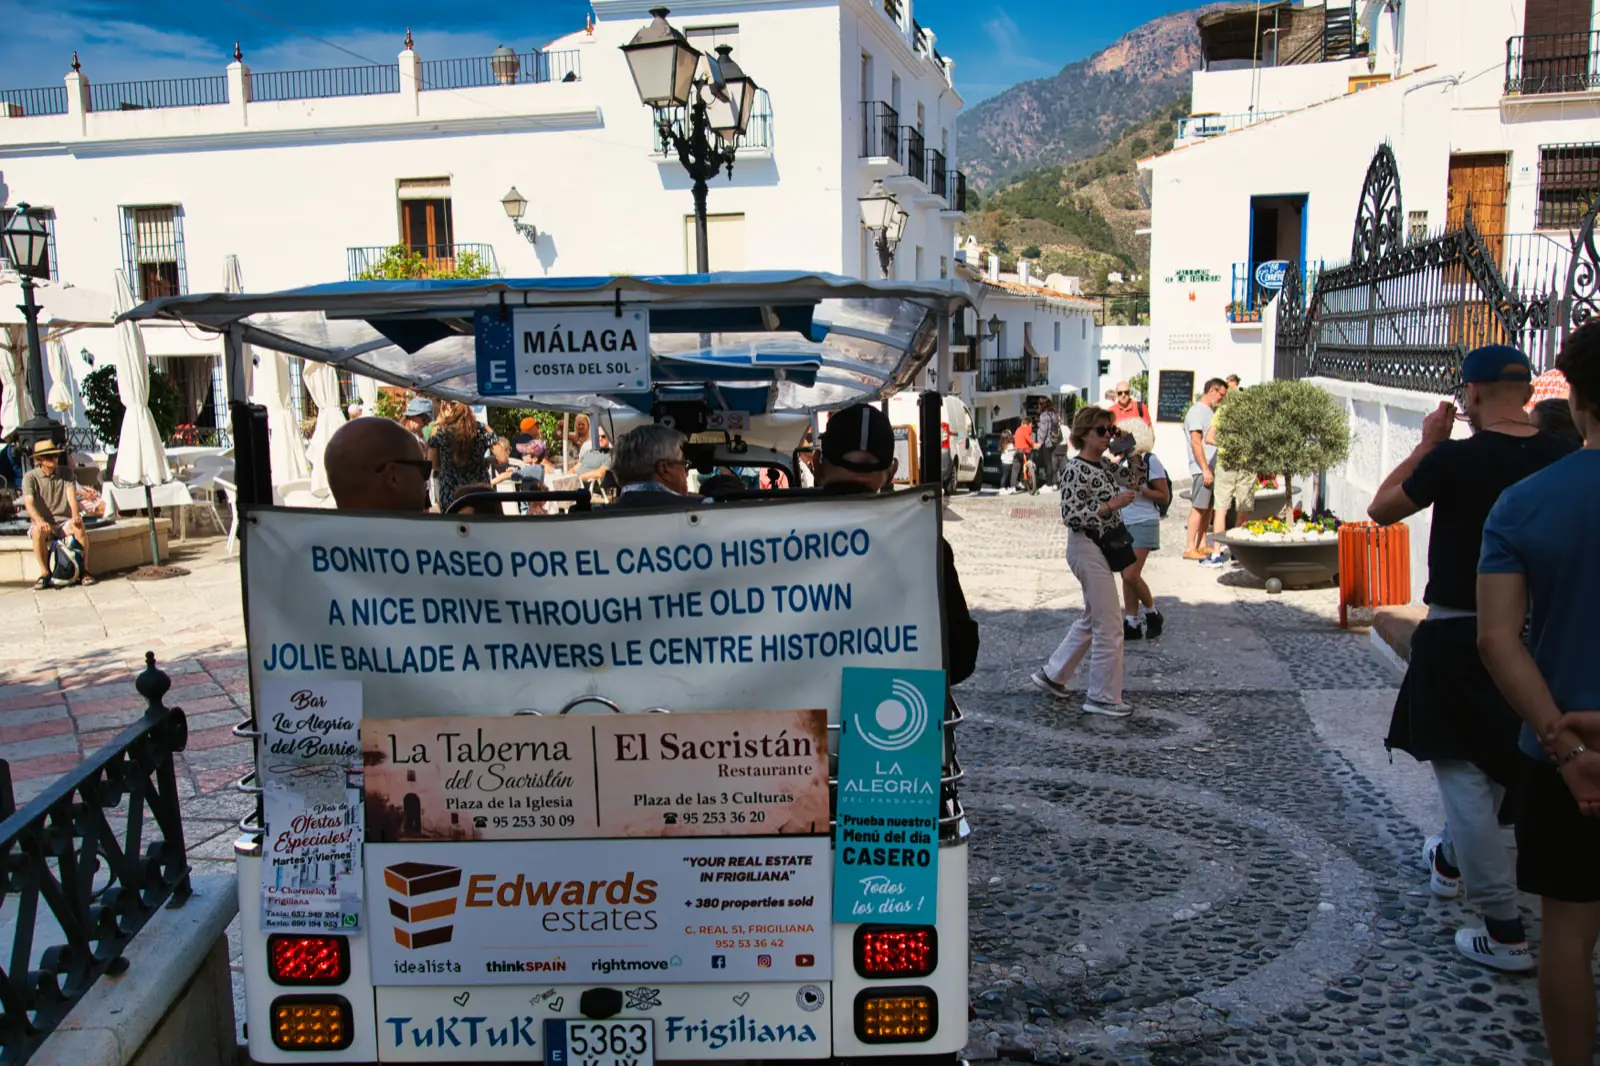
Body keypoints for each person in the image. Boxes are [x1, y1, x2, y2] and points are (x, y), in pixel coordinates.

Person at [1368, 344, 1574, 974]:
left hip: (1462, 630)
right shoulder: (1563, 454)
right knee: (1507, 763)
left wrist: (1429, 441)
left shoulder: (1456, 458)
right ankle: (1453, 862)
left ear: (1474, 394)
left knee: (1461, 773)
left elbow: (1382, 508)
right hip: (1542, 635)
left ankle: (1503, 927)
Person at [1477, 324, 1600, 1065]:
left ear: (1577, 397)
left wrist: (1566, 742)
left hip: (1563, 758)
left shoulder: (1524, 504)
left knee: (1568, 932)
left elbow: (1498, 640)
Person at [815, 403, 978, 684]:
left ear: (817, 463)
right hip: (885, 716)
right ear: (892, 472)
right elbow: (960, 657)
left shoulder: (763, 543)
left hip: (793, 725)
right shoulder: (926, 546)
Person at [1031, 406, 1146, 717]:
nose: (1108, 434)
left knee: (1092, 618)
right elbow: (1070, 515)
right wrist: (1110, 505)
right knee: (1110, 623)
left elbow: (1136, 480)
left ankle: (1053, 674)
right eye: (1102, 431)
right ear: (1082, 435)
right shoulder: (1074, 469)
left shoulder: (1106, 466)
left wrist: (1128, 447)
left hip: (1097, 548)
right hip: (1086, 546)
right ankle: (1103, 696)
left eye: (1110, 429)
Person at [1116, 418, 1169, 641]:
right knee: (1126, 575)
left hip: (1145, 521)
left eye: (1122, 435)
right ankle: (1131, 622)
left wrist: (1140, 489)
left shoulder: (1151, 462)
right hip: (1124, 522)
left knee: (1131, 573)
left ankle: (1152, 612)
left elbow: (1163, 495)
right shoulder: (1120, 463)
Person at [23, 441, 94, 589]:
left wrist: (75, 516)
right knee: (37, 531)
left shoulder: (66, 473)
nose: (54, 459)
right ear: (39, 460)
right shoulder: (30, 477)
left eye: (55, 455)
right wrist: (39, 521)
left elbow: (71, 497)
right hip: (44, 522)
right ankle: (44, 573)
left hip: (63, 522)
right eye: (49, 457)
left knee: (79, 527)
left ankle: (84, 571)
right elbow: (29, 503)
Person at [325, 417, 432, 513]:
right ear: (393, 477)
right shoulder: (422, 534)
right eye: (423, 469)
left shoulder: (321, 532)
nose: (425, 481)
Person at [1201, 383, 1254, 566]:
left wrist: (1225, 445)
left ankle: (1216, 554)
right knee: (1243, 509)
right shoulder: (1251, 416)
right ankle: (1238, 552)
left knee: (1221, 509)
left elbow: (1208, 438)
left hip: (1226, 464)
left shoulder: (1222, 413)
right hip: (1247, 464)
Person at [1182, 378, 1227, 560]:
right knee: (1198, 508)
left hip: (1210, 467)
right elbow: (1196, 442)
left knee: (1207, 508)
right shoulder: (1196, 412)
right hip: (1203, 468)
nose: (1223, 398)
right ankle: (1189, 547)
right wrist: (1205, 469)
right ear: (1213, 391)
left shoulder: (1208, 411)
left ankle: (1201, 545)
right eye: (1222, 394)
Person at [605, 424, 697, 510]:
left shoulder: (595, 516)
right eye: (685, 465)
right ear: (664, 469)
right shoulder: (702, 510)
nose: (687, 473)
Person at [429, 401, 494, 511]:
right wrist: (484, 461)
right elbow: (502, 457)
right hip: (479, 491)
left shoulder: (438, 431)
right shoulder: (482, 429)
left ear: (449, 408)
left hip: (451, 491)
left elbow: (433, 464)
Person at [1035, 402, 1064, 490]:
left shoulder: (1044, 416)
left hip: (1047, 442)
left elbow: (1044, 430)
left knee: (1048, 464)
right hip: (1054, 441)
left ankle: (1049, 484)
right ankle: (1053, 483)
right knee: (1051, 463)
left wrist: (1040, 442)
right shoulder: (1054, 414)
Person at [1012, 416, 1037, 495]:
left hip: (1017, 450)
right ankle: (1030, 475)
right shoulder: (1027, 428)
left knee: (1015, 468)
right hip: (1025, 451)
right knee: (1030, 461)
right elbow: (1027, 437)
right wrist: (1034, 444)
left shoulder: (1018, 429)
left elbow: (1015, 438)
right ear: (1029, 424)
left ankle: (1013, 486)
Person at [997, 430, 1018, 494]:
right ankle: (1002, 488)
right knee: (1005, 476)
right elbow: (1013, 453)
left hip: (1003, 462)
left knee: (1004, 476)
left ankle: (1004, 487)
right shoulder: (1010, 445)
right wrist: (1016, 450)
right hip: (1008, 463)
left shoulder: (1002, 444)